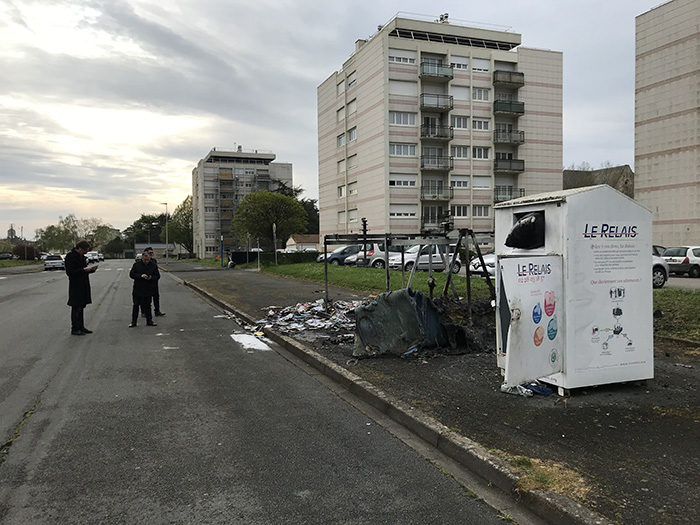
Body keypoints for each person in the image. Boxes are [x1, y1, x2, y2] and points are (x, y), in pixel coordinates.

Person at [65, 240, 98, 335]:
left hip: (83, 283)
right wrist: (83, 270)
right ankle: (75, 328)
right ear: (79, 248)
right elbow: (70, 272)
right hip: (75, 285)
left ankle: (81, 326)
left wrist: (91, 270)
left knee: (82, 306)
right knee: (76, 307)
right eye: (84, 250)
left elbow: (84, 270)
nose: (85, 252)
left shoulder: (82, 257)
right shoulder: (70, 257)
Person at [129, 250, 160, 327]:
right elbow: (132, 274)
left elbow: (157, 276)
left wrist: (151, 277)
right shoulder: (136, 265)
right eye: (145, 259)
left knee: (148, 305)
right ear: (142, 258)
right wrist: (140, 276)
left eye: (148, 259)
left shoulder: (153, 266)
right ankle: (134, 322)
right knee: (136, 305)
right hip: (138, 289)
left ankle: (149, 320)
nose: (146, 261)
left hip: (148, 289)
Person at [143, 247, 165, 316]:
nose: (151, 254)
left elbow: (156, 273)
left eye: (152, 253)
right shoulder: (142, 263)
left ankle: (157, 310)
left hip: (154, 283)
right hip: (145, 284)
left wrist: (153, 277)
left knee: (156, 297)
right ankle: (144, 312)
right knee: (146, 299)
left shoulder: (154, 261)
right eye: (150, 253)